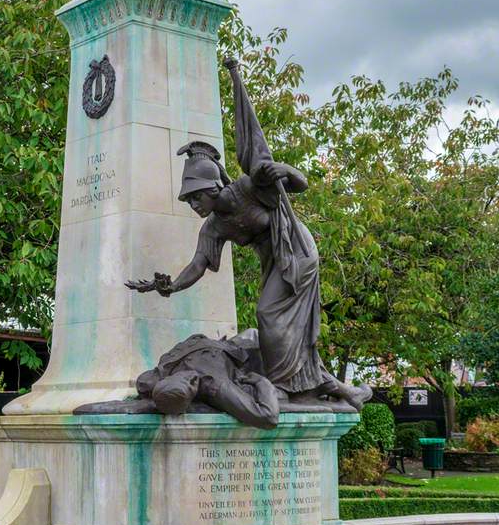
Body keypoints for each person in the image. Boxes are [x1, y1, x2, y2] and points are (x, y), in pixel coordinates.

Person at [127, 62, 371, 410]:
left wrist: (284, 170)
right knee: (286, 335)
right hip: (275, 263)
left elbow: (300, 184)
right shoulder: (214, 226)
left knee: (269, 317)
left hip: (296, 252)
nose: (193, 204)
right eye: (189, 199)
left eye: (196, 196)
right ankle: (345, 391)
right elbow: (197, 265)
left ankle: (285, 388)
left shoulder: (248, 187)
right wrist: (168, 287)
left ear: (213, 186)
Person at [135, 330, 281, 429]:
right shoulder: (216, 386)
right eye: (192, 384)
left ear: (165, 380)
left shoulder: (151, 378)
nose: (192, 376)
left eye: (182, 377)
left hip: (229, 343)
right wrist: (262, 382)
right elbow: (268, 417)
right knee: (274, 336)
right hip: (253, 354)